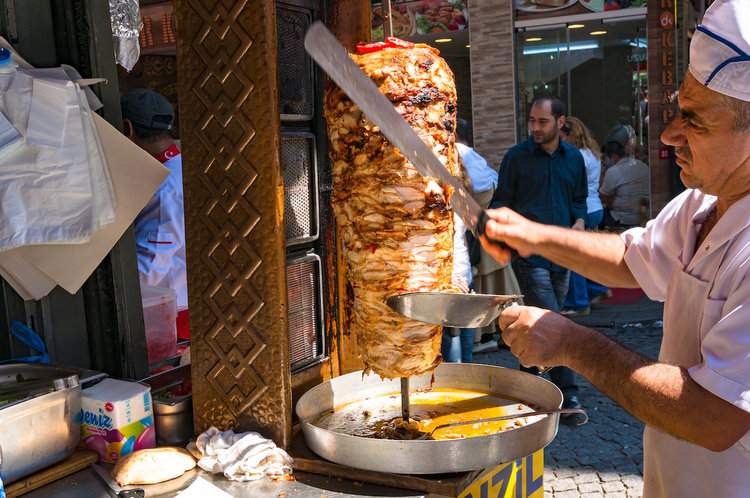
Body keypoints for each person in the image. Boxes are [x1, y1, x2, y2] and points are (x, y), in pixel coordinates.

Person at [480, 1, 750, 495]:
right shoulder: (701, 202)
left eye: (696, 121)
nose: (668, 135)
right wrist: (527, 232)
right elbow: (633, 258)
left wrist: (571, 342)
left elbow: (716, 417)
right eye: (676, 110)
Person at [490, 96, 588, 425]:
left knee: (539, 322)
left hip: (564, 251)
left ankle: (527, 387)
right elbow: (501, 200)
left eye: (542, 121)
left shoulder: (574, 158)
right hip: (528, 254)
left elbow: (579, 199)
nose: (534, 127)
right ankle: (569, 394)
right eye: (531, 120)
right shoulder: (516, 158)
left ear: (560, 123)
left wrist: (579, 220)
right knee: (552, 320)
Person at [122, 89, 188, 317]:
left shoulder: (164, 187)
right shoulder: (182, 167)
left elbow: (146, 271)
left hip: (169, 314)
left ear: (126, 129)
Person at [560, 117, 606, 315]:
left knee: (575, 258)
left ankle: (579, 303)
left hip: (583, 210)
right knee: (587, 255)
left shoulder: (575, 156)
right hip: (595, 207)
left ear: (569, 135)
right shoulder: (592, 153)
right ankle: (597, 289)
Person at [600, 140, 650, 228]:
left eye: (606, 158)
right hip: (644, 216)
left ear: (614, 156)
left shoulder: (613, 171)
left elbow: (604, 197)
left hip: (621, 218)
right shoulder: (644, 166)